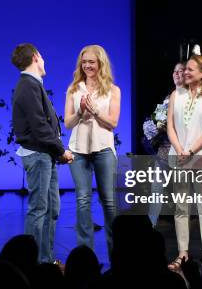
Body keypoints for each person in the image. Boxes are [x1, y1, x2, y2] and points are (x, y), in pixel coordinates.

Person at [11, 43, 73, 264]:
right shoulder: (27, 85)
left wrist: (56, 151)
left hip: (46, 154)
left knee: (51, 208)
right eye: (42, 57)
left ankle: (45, 260)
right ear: (36, 57)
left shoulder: (33, 84)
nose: (44, 61)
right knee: (39, 209)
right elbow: (39, 126)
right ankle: (32, 264)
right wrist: (61, 150)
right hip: (38, 155)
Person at [166, 55, 202, 270]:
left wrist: (190, 150)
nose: (185, 72)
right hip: (179, 157)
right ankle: (183, 254)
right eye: (185, 69)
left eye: (190, 69)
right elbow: (170, 126)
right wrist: (180, 149)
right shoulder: (176, 95)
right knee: (181, 208)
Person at [64, 45, 120, 256]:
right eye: (84, 62)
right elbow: (68, 123)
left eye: (91, 62)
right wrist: (80, 111)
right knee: (83, 200)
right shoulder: (73, 89)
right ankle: (85, 256)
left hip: (103, 150)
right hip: (78, 151)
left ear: (101, 64)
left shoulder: (113, 90)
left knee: (109, 202)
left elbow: (113, 122)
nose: (87, 65)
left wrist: (95, 111)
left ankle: (117, 255)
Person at [148, 61, 186, 226]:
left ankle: (183, 233)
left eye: (181, 71)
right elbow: (156, 121)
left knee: (182, 195)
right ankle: (150, 227)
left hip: (182, 153)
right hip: (164, 152)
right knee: (156, 191)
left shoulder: (191, 97)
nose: (177, 74)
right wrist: (158, 127)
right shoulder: (167, 98)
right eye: (175, 71)